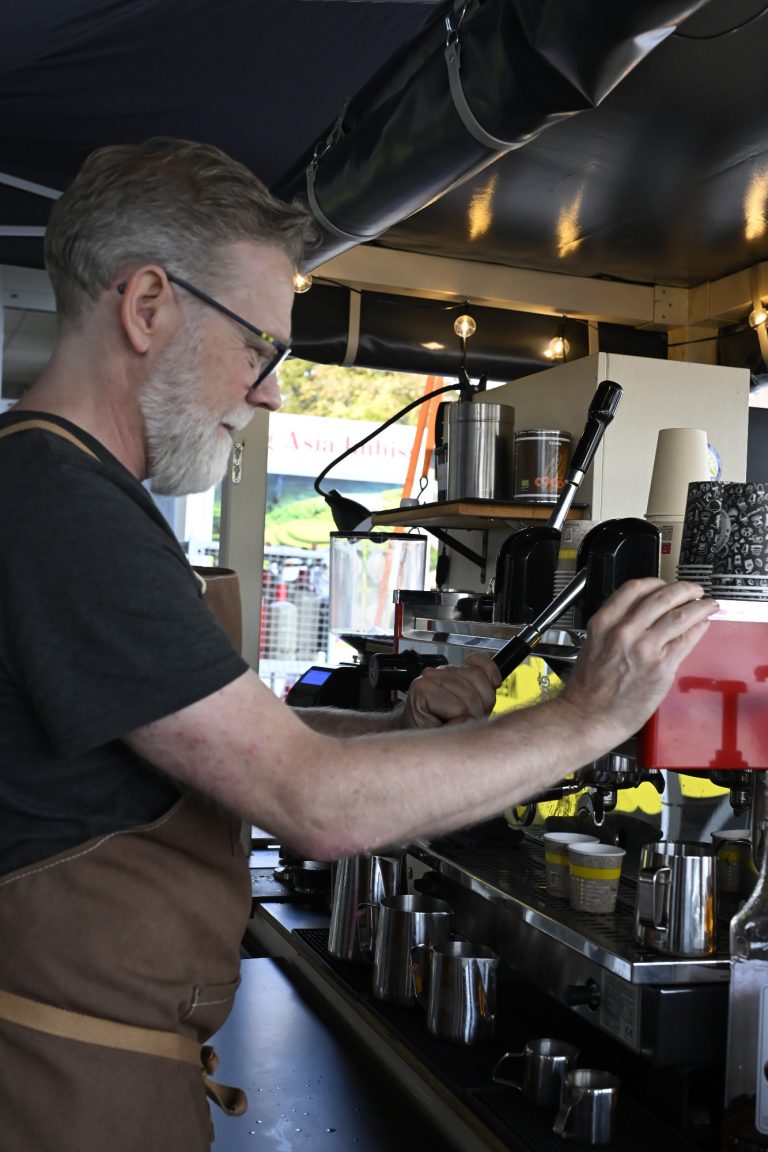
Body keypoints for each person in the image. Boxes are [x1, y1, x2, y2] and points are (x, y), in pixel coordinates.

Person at [0, 137, 716, 1152]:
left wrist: (389, 722)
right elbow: (314, 804)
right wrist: (589, 713)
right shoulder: (64, 508)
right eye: (262, 345)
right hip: (59, 1089)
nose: (273, 392)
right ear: (147, 306)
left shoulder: (70, 494)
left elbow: (222, 741)